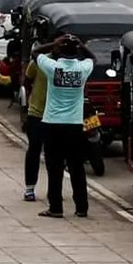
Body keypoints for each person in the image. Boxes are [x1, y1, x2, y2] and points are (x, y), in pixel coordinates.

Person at [35, 34, 94, 218]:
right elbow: (92, 58)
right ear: (76, 52)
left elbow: (35, 52)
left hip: (52, 124)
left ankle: (56, 208)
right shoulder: (82, 69)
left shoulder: (53, 68)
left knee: (54, 169)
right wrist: (80, 44)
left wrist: (55, 43)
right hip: (75, 124)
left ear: (59, 50)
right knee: (77, 168)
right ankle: (82, 207)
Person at [23, 54, 48, 202]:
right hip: (36, 113)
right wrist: (29, 103)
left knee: (55, 155)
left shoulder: (67, 63)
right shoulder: (39, 62)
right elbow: (27, 82)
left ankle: (54, 190)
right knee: (34, 150)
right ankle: (30, 188)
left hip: (55, 116)